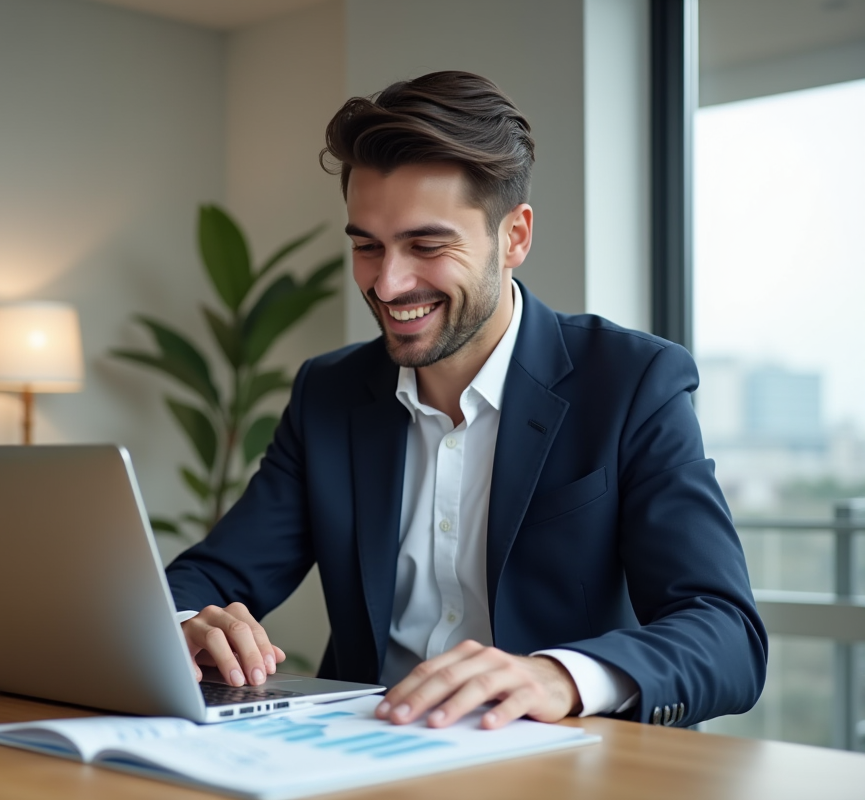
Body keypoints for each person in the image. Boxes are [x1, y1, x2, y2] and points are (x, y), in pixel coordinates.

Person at [165, 71, 767, 730]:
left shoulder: (631, 382)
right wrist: (192, 623)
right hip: (360, 761)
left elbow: (726, 634)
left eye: (426, 245)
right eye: (367, 246)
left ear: (514, 238)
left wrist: (557, 674)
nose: (388, 283)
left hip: (562, 769)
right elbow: (206, 580)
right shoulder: (328, 395)